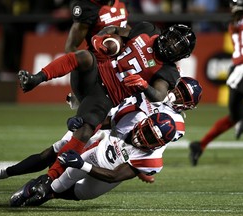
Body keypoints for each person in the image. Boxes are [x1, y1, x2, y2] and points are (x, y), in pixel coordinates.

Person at [17, 22, 196, 181]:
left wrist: (143, 86)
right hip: (95, 72)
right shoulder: (148, 30)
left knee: (85, 131)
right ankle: (35, 79)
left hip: (106, 97)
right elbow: (115, 29)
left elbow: (157, 95)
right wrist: (101, 38)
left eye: (178, 46)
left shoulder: (169, 71)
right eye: (173, 39)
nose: (172, 45)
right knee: (84, 56)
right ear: (167, 33)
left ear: (182, 55)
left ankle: (50, 178)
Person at [0, 76, 202, 185]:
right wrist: (86, 103)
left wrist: (141, 170)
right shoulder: (157, 88)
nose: (177, 95)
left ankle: (39, 189)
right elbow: (120, 92)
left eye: (184, 96)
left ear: (188, 106)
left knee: (69, 169)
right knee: (54, 151)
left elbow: (150, 140)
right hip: (103, 121)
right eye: (179, 89)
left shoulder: (175, 124)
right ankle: (6, 172)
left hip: (114, 141)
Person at [9, 111, 177, 207]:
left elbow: (115, 176)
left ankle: (47, 194)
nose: (145, 136)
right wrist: (82, 122)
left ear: (159, 144)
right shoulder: (133, 118)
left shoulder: (152, 159)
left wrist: (83, 165)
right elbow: (102, 122)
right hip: (98, 152)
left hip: (106, 176)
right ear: (144, 122)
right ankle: (32, 189)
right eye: (147, 129)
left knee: (76, 193)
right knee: (57, 181)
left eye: (152, 137)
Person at [189, 0, 243, 166]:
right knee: (238, 118)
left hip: (235, 72)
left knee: (234, 117)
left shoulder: (233, 24)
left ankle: (199, 145)